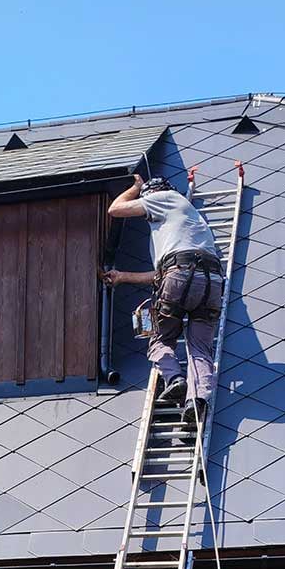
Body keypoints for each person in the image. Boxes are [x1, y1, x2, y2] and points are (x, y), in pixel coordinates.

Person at [103, 173, 224, 413]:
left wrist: (136, 187)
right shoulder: (185, 225)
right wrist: (123, 277)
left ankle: (175, 379)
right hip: (210, 282)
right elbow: (164, 273)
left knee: (159, 339)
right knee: (200, 347)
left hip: (180, 275)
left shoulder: (165, 198)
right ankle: (197, 401)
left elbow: (115, 209)